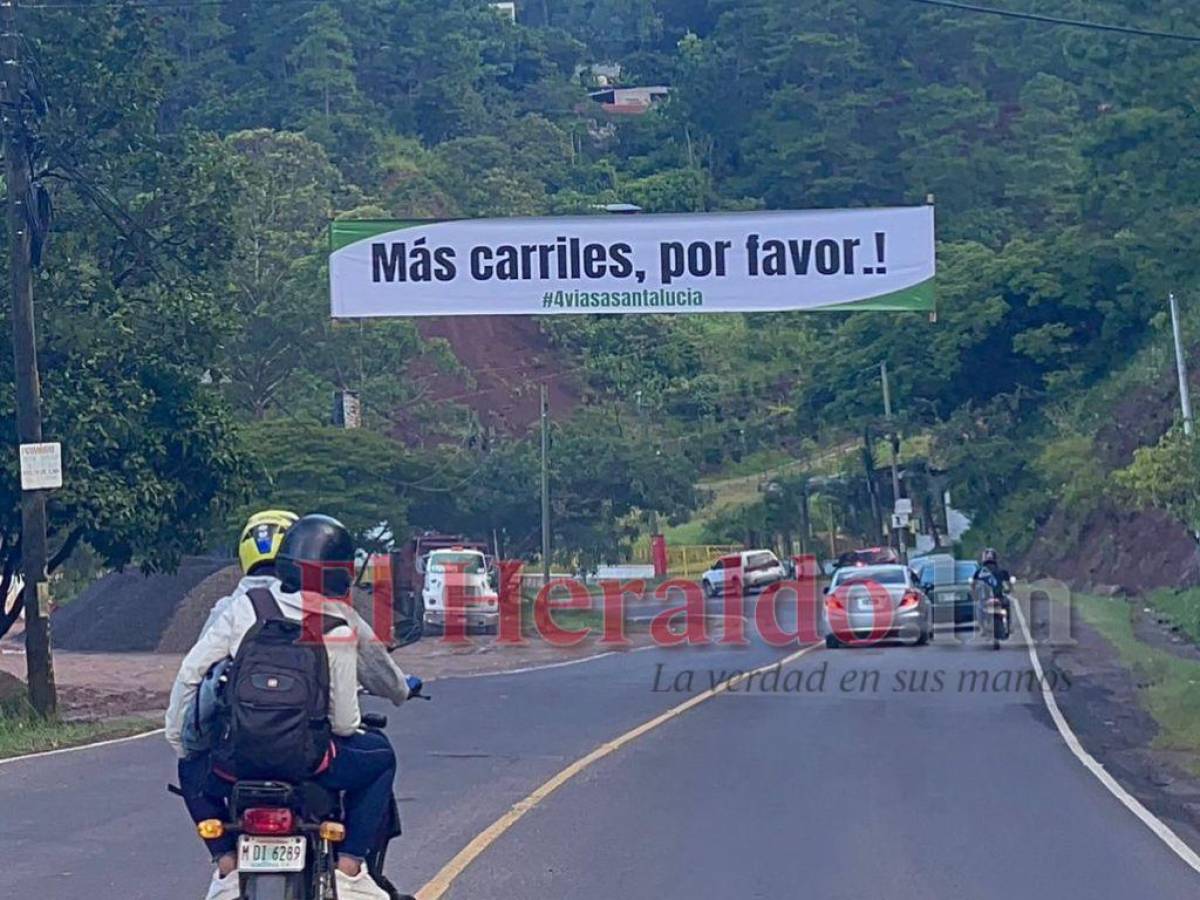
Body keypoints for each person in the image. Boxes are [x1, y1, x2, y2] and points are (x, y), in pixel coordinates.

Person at [166, 513, 405, 900]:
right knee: (381, 758)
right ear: (341, 571)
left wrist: (180, 737)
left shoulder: (245, 607)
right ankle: (349, 870)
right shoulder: (337, 626)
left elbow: (192, 672)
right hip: (309, 762)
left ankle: (226, 865)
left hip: (238, 759)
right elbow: (344, 724)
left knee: (190, 761)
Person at [973, 547, 1012, 638]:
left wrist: (974, 593)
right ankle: (1008, 627)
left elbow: (973, 585)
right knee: (1007, 606)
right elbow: (1009, 584)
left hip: (991, 599)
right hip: (995, 598)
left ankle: (983, 628)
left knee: (979, 608)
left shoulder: (979, 572)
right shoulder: (1001, 571)